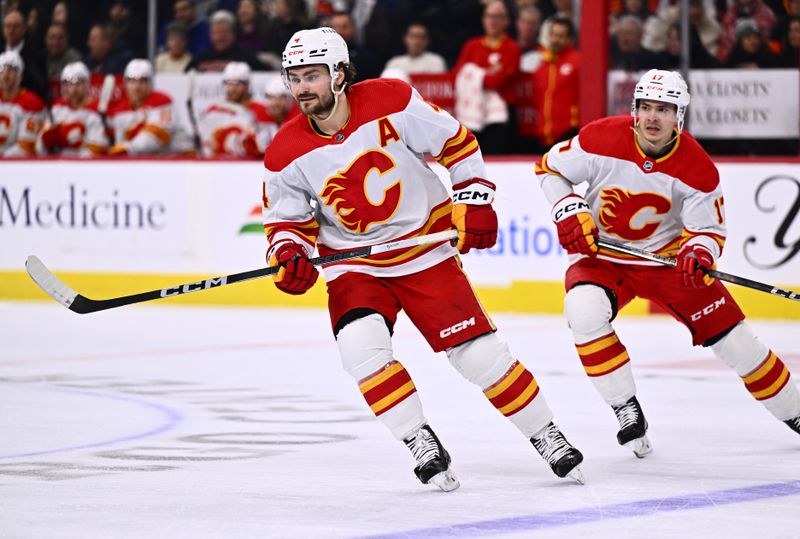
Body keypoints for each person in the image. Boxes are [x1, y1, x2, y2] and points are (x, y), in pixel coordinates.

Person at [262, 27, 585, 492]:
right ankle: (418, 439)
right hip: (355, 265)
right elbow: (285, 221)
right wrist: (289, 252)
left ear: (338, 75)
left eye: (311, 76)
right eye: (294, 78)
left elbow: (457, 143)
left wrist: (474, 196)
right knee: (361, 349)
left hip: (424, 250)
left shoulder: (391, 100)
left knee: (481, 357)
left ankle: (546, 434)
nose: (301, 88)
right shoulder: (284, 152)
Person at [535, 69, 800, 459]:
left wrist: (699, 252)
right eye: (645, 107)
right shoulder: (600, 138)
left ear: (680, 116)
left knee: (736, 341)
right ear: (634, 109)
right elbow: (549, 168)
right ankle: (626, 408)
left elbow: (708, 229)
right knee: (583, 311)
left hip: (666, 260)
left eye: (664, 108)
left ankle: (795, 411)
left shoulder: (698, 168)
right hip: (603, 258)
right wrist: (568, 207)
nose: (652, 117)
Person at [452, 0, 520, 155]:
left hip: (500, 118)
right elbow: (457, 76)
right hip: (472, 114)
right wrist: (486, 72)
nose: (493, 21)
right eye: (489, 16)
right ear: (483, 19)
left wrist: (473, 72)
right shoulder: (472, 46)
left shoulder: (512, 48)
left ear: (507, 21)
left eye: (498, 16)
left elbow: (497, 81)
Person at [107, 59, 193, 156]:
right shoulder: (121, 110)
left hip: (181, 160)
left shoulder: (162, 102)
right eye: (132, 81)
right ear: (125, 83)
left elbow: (155, 135)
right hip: (150, 163)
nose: (137, 87)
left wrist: (127, 148)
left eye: (142, 81)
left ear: (151, 83)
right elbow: (120, 144)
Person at [197, 61, 272, 158]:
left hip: (251, 166)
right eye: (229, 83)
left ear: (247, 85)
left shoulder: (261, 110)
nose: (233, 88)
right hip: (218, 166)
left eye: (237, 84)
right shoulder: (214, 110)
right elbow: (204, 143)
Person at [38, 62, 108, 157]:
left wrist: (68, 153)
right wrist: (45, 144)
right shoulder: (56, 109)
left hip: (85, 168)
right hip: (57, 167)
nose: (73, 89)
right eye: (68, 83)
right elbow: (38, 148)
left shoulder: (96, 111)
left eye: (78, 83)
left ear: (87, 83)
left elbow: (97, 150)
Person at [185, 10, 265, 72]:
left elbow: (263, 73)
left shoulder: (246, 55)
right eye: (216, 32)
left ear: (233, 33)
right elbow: (185, 76)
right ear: (210, 34)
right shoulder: (201, 58)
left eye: (224, 32)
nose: (220, 37)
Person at [0, 50, 45, 157]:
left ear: (20, 75)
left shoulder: (31, 103)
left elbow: (25, 147)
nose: (6, 75)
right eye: (2, 69)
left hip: (18, 167)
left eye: (11, 70)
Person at [382, 22, 447, 75]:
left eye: (422, 37)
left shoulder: (436, 62)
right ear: (405, 39)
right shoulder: (394, 63)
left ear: (428, 41)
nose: (417, 41)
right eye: (413, 36)